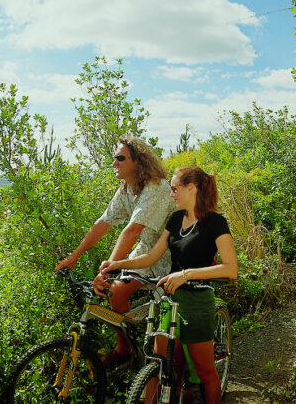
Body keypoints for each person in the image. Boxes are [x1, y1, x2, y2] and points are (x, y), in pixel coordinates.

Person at [100, 166, 238, 404]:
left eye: (175, 189)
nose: (171, 194)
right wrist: (116, 264)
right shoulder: (175, 220)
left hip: (196, 303)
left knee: (205, 373)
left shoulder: (216, 223)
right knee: (158, 362)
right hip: (166, 300)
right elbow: (151, 257)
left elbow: (230, 269)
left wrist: (186, 275)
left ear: (192, 188)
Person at [55, 135, 175, 368]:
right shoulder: (127, 189)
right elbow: (103, 223)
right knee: (115, 293)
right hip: (146, 251)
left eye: (120, 158)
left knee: (167, 320)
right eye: (114, 158)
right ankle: (126, 348)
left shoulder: (156, 188)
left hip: (171, 255)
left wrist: (108, 268)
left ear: (138, 162)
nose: (115, 163)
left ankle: (172, 372)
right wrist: (74, 256)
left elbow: (132, 230)